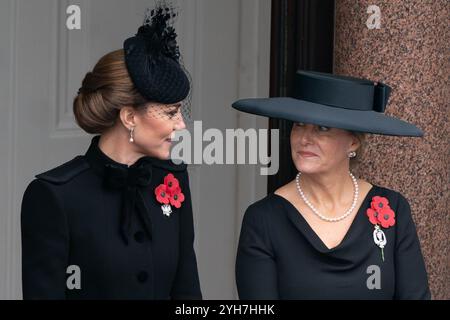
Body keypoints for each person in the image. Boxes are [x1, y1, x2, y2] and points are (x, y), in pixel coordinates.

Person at [21, 3, 202, 300]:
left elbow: (188, 293)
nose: (181, 125)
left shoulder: (173, 179)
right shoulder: (53, 196)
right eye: (170, 113)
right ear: (130, 117)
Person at [233, 71, 430, 300]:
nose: (304, 138)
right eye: (299, 125)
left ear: (353, 141)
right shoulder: (264, 219)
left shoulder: (393, 207)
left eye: (322, 128)